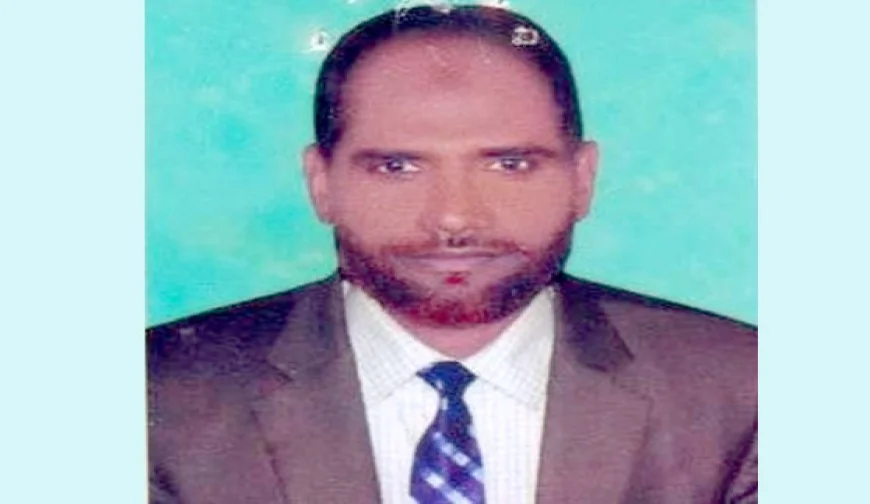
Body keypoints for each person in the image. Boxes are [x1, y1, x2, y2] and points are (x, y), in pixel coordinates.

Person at [148, 5, 757, 503]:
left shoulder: (747, 391)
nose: (455, 217)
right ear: (321, 183)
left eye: (510, 164)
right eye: (398, 167)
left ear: (582, 178)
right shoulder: (157, 398)